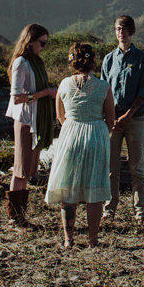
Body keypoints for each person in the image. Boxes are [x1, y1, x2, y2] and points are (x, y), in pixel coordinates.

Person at [45, 42, 115, 248]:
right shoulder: (103, 87)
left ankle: (69, 239)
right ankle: (93, 240)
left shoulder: (64, 85)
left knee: (68, 190)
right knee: (95, 191)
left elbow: (60, 115)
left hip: (70, 134)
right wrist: (99, 130)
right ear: (93, 61)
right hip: (96, 134)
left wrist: (73, 127)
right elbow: (111, 119)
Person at [4, 23, 57, 230]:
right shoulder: (21, 63)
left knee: (26, 170)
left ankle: (19, 217)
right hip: (26, 120)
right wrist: (45, 93)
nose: (44, 47)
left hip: (34, 120)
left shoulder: (36, 62)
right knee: (20, 169)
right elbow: (16, 97)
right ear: (30, 41)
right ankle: (14, 218)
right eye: (42, 43)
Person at [101, 14, 144, 225]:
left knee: (136, 167)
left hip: (135, 119)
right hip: (112, 121)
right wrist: (110, 117)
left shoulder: (141, 58)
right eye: (117, 29)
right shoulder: (108, 59)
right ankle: (108, 210)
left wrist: (127, 115)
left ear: (132, 31)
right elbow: (104, 90)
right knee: (110, 168)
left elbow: (143, 91)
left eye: (124, 29)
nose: (120, 33)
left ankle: (140, 211)